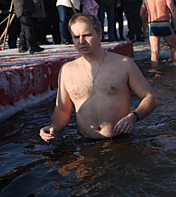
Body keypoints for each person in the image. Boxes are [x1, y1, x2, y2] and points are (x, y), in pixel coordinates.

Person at [39, 13, 158, 141]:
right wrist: (53, 126)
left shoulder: (124, 64)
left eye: (86, 35)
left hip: (121, 141)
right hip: (85, 143)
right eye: (76, 37)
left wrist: (133, 117)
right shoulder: (67, 70)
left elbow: (150, 98)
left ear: (99, 34)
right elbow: (62, 110)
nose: (81, 41)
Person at [140, 0, 176, 68]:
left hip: (153, 25)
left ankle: (155, 73)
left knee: (154, 51)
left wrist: (147, 20)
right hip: (165, 24)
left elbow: (141, 13)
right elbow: (173, 9)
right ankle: (175, 68)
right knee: (174, 47)